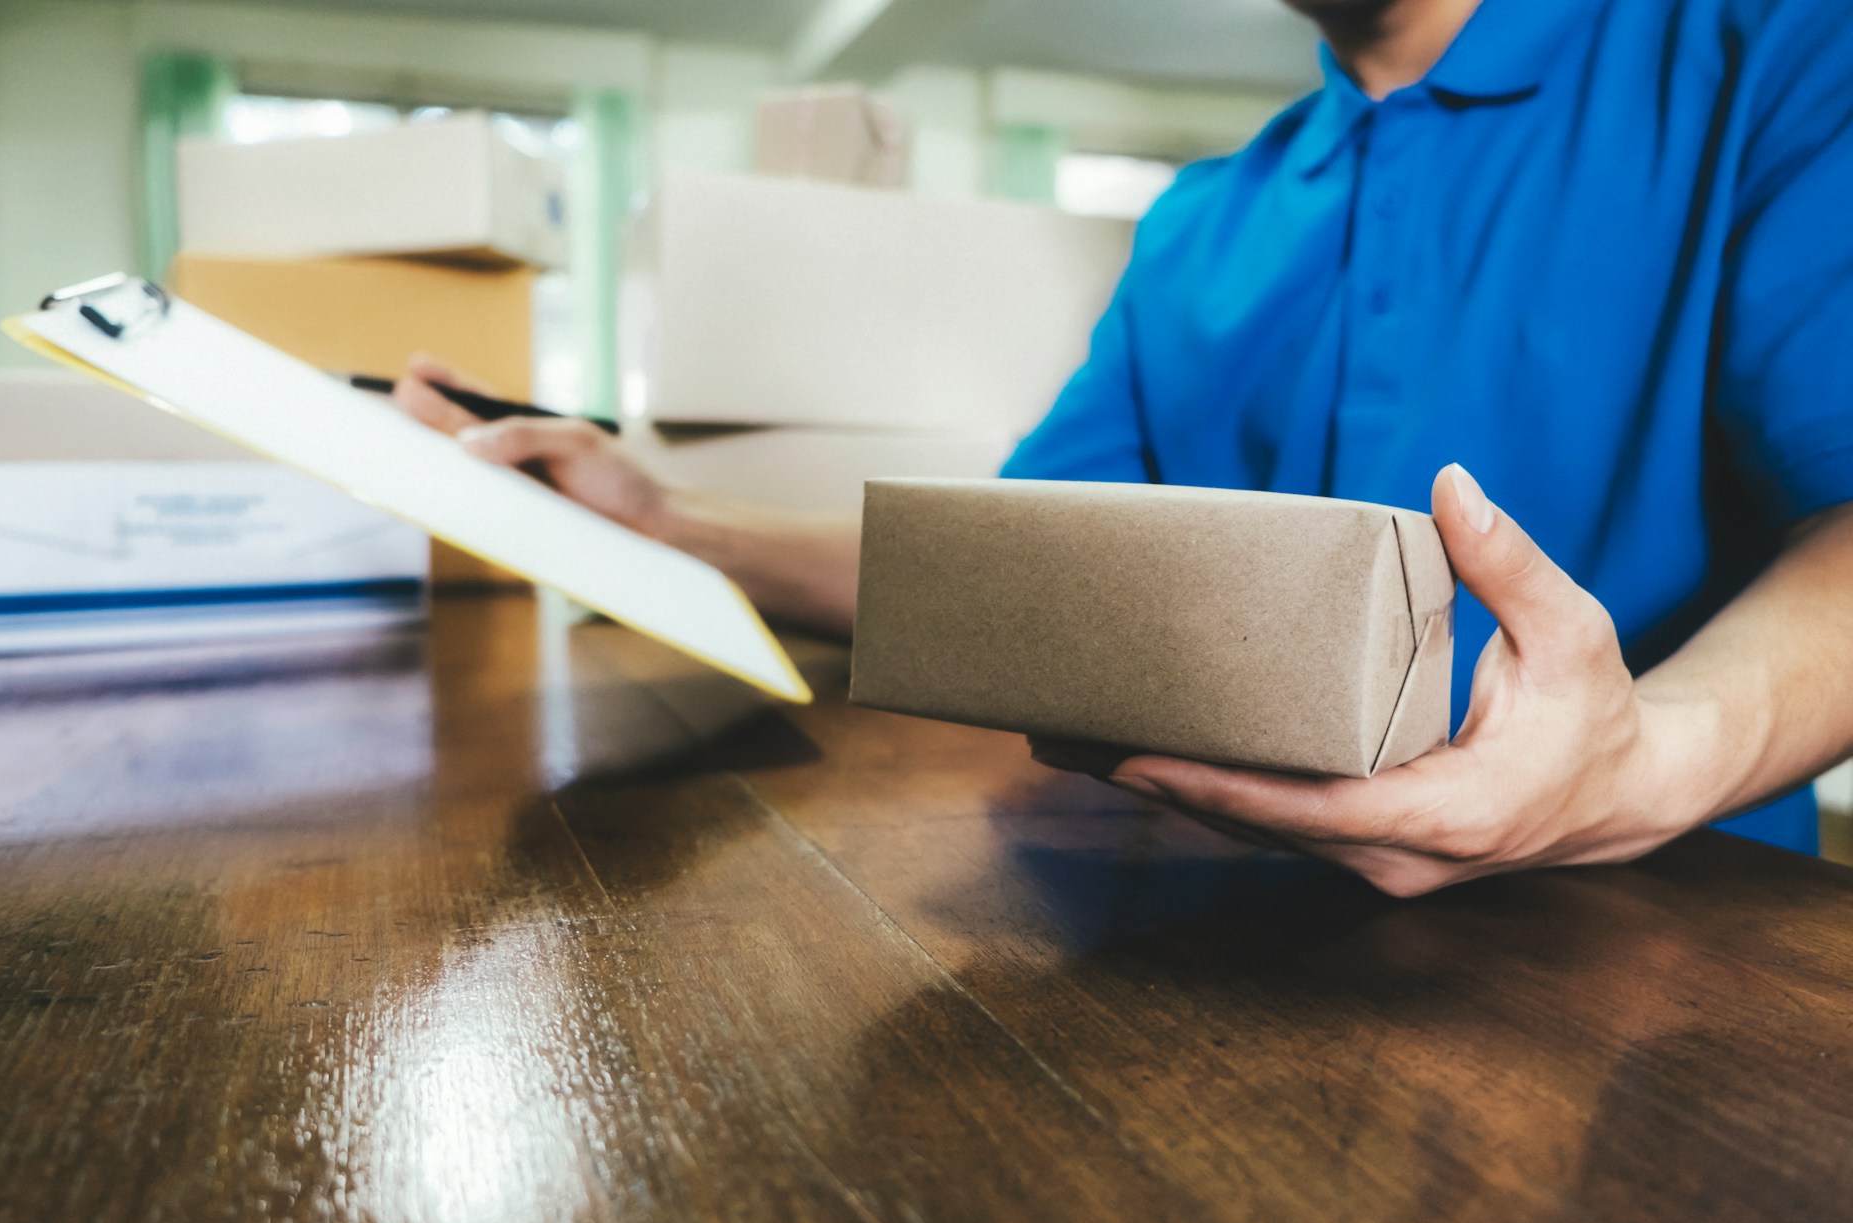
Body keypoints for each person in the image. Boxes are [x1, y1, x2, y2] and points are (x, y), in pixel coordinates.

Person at [397, 0, 1853, 897]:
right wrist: (668, 521)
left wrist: (1641, 765)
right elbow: (1006, 571)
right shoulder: (1202, 219)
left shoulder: (1775, 51)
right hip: (1215, 917)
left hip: (1663, 923)